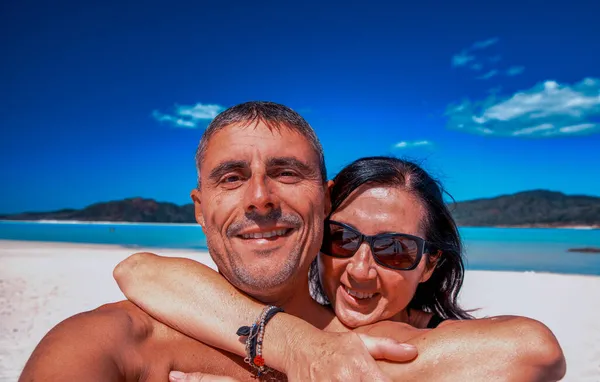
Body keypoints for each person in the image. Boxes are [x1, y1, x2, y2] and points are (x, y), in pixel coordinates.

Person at [19, 101, 566, 382]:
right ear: (201, 209)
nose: (259, 197)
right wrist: (295, 346)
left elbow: (530, 353)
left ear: (324, 200)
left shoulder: (390, 346)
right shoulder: (122, 337)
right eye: (232, 177)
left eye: (285, 172)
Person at [115, 156, 567, 381]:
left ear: (429, 265)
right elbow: (139, 270)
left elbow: (535, 349)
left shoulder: (437, 342)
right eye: (342, 239)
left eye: (394, 250)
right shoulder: (296, 324)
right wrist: (300, 347)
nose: (361, 270)